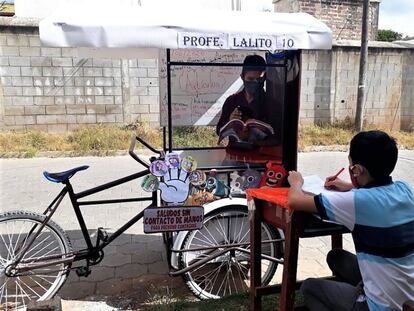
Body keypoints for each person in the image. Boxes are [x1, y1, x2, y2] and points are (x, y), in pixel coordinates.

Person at [287, 130, 414, 311]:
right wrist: (347, 185)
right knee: (336, 257)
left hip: (382, 306)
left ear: (358, 170)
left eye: (351, 166)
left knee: (310, 287)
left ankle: (361, 301)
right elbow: (373, 195)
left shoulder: (356, 201)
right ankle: (360, 292)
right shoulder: (404, 190)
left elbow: (295, 201)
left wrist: (296, 183)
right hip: (408, 295)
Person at [216, 55, 275, 146]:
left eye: (259, 79)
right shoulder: (231, 101)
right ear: (242, 77)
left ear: (264, 79)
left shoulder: (271, 104)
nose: (255, 83)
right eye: (250, 79)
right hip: (234, 153)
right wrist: (230, 121)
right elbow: (219, 131)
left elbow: (278, 138)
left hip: (261, 155)